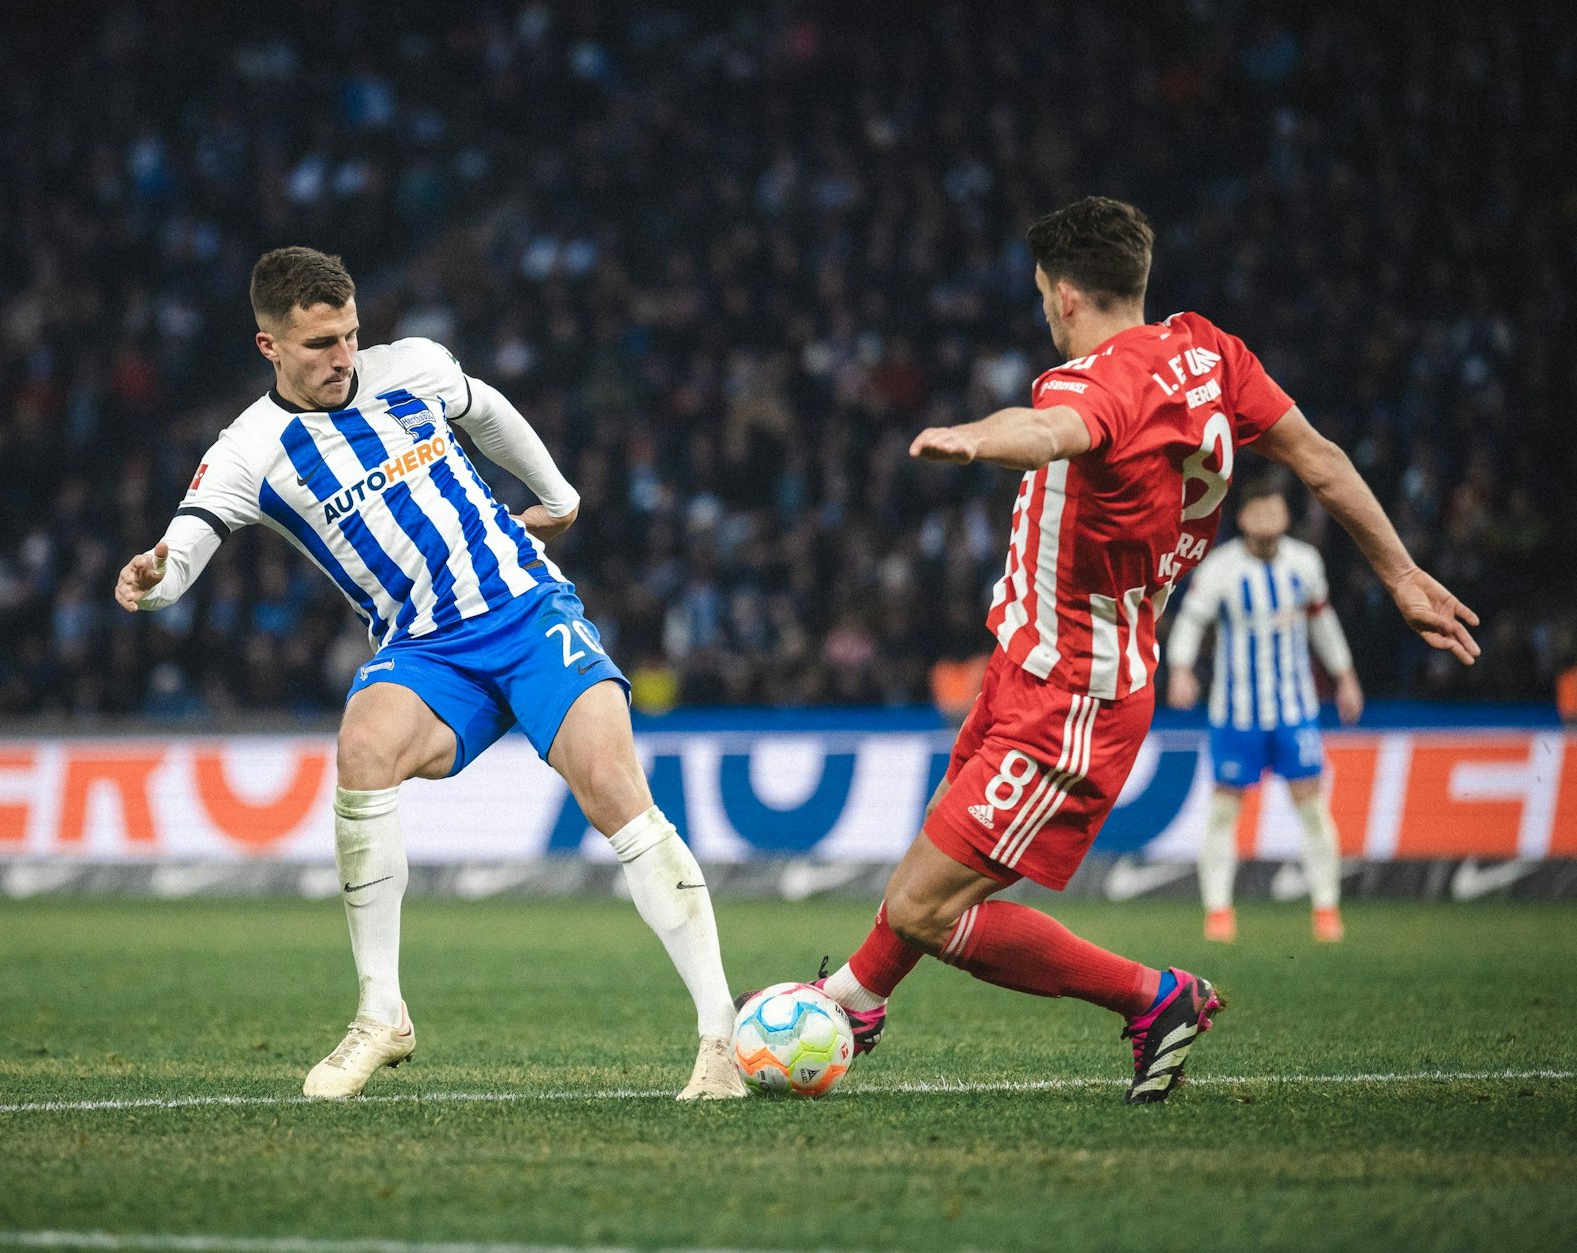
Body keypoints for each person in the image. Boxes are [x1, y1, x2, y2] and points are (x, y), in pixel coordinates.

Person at [798, 197, 1479, 1104]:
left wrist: (974, 438)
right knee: (931, 882)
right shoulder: (1209, 353)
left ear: (1069, 295)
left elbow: (1051, 431)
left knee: (924, 901)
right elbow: (1317, 457)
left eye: (1044, 292)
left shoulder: (1097, 384)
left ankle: (1154, 998)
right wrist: (1398, 574)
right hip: (1027, 666)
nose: (1044, 309)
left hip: (1071, 694)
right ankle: (854, 1001)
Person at [115, 247, 745, 1100]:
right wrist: (153, 582)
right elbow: (183, 548)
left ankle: (721, 1037)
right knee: (363, 748)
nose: (341, 357)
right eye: (318, 345)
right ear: (269, 347)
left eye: (348, 335)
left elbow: (489, 412)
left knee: (617, 794)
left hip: (526, 611)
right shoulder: (249, 450)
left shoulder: (410, 367)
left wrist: (557, 496)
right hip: (424, 648)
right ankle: (382, 1015)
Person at [1166, 479, 1361, 943]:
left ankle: (1326, 911)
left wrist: (1345, 675)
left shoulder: (1305, 564)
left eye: (1275, 510)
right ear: (1243, 519)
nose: (1268, 519)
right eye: (1259, 511)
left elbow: (1322, 621)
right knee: (1222, 815)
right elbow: (1192, 620)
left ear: (1286, 517)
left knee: (1313, 810)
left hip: (1295, 711)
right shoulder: (1221, 570)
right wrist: (1179, 669)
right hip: (1236, 714)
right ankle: (1218, 914)